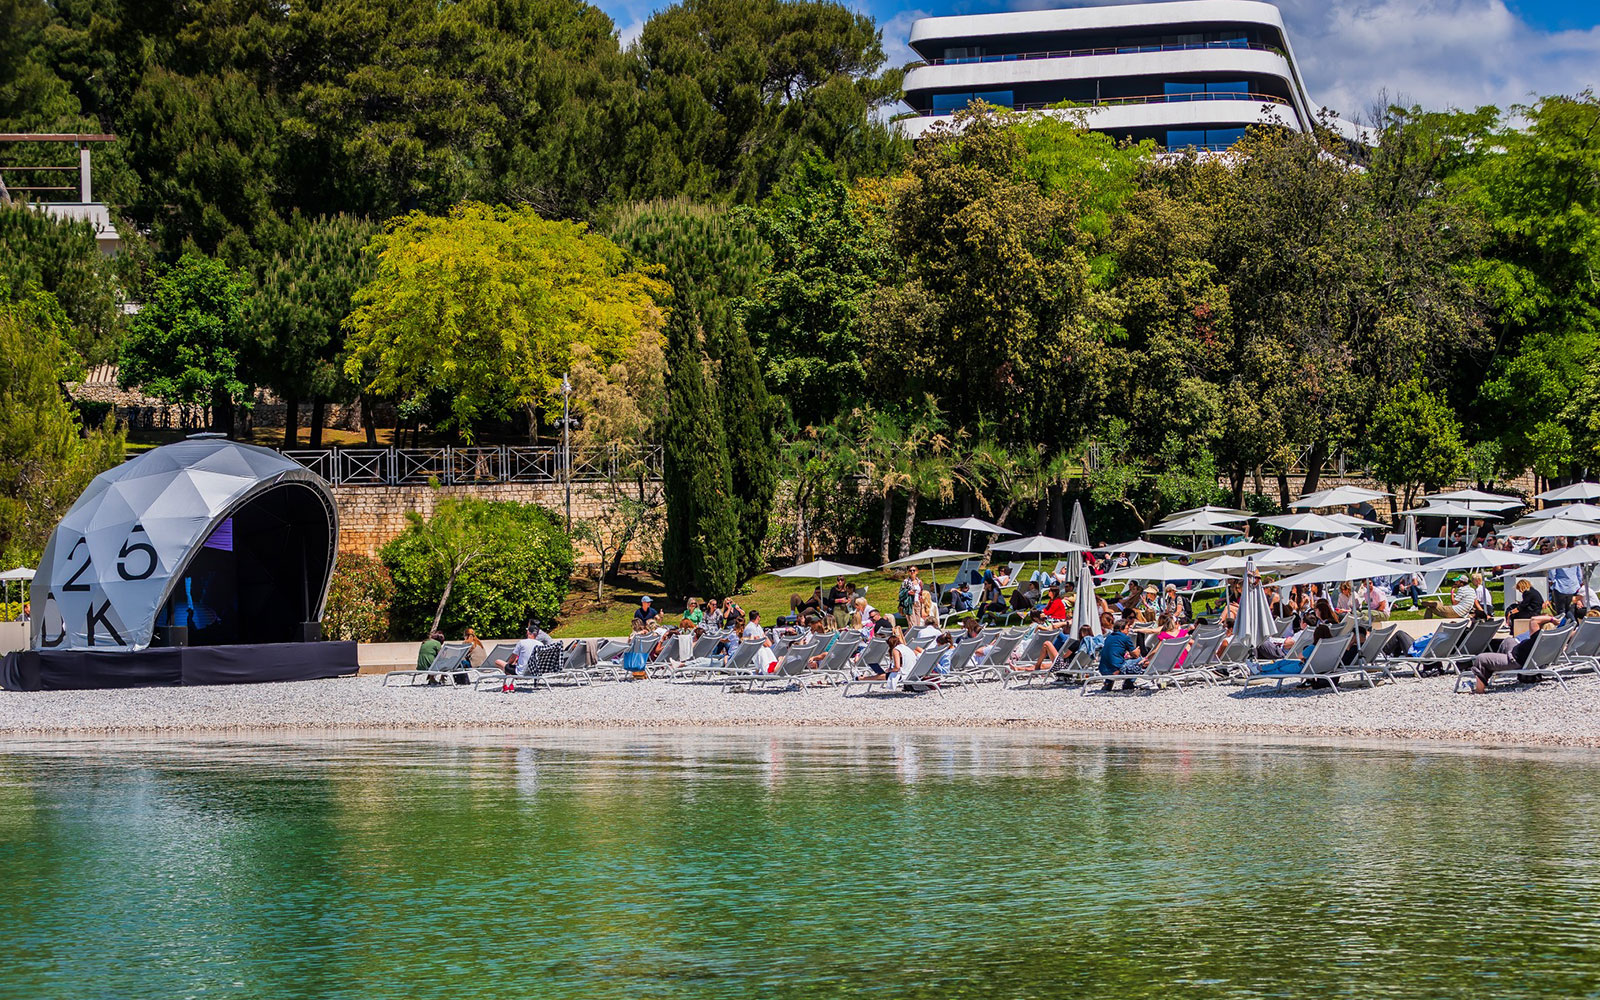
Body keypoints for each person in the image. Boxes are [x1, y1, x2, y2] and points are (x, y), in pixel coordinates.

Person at [1097, 617, 1141, 688]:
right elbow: (1136, 655)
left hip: (1103, 670)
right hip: (1117, 670)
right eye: (1127, 628)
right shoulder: (1125, 638)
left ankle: (1108, 682)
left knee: (1113, 661)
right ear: (1121, 629)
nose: (1128, 630)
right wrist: (1138, 650)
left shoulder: (1109, 637)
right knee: (1140, 660)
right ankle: (1128, 683)